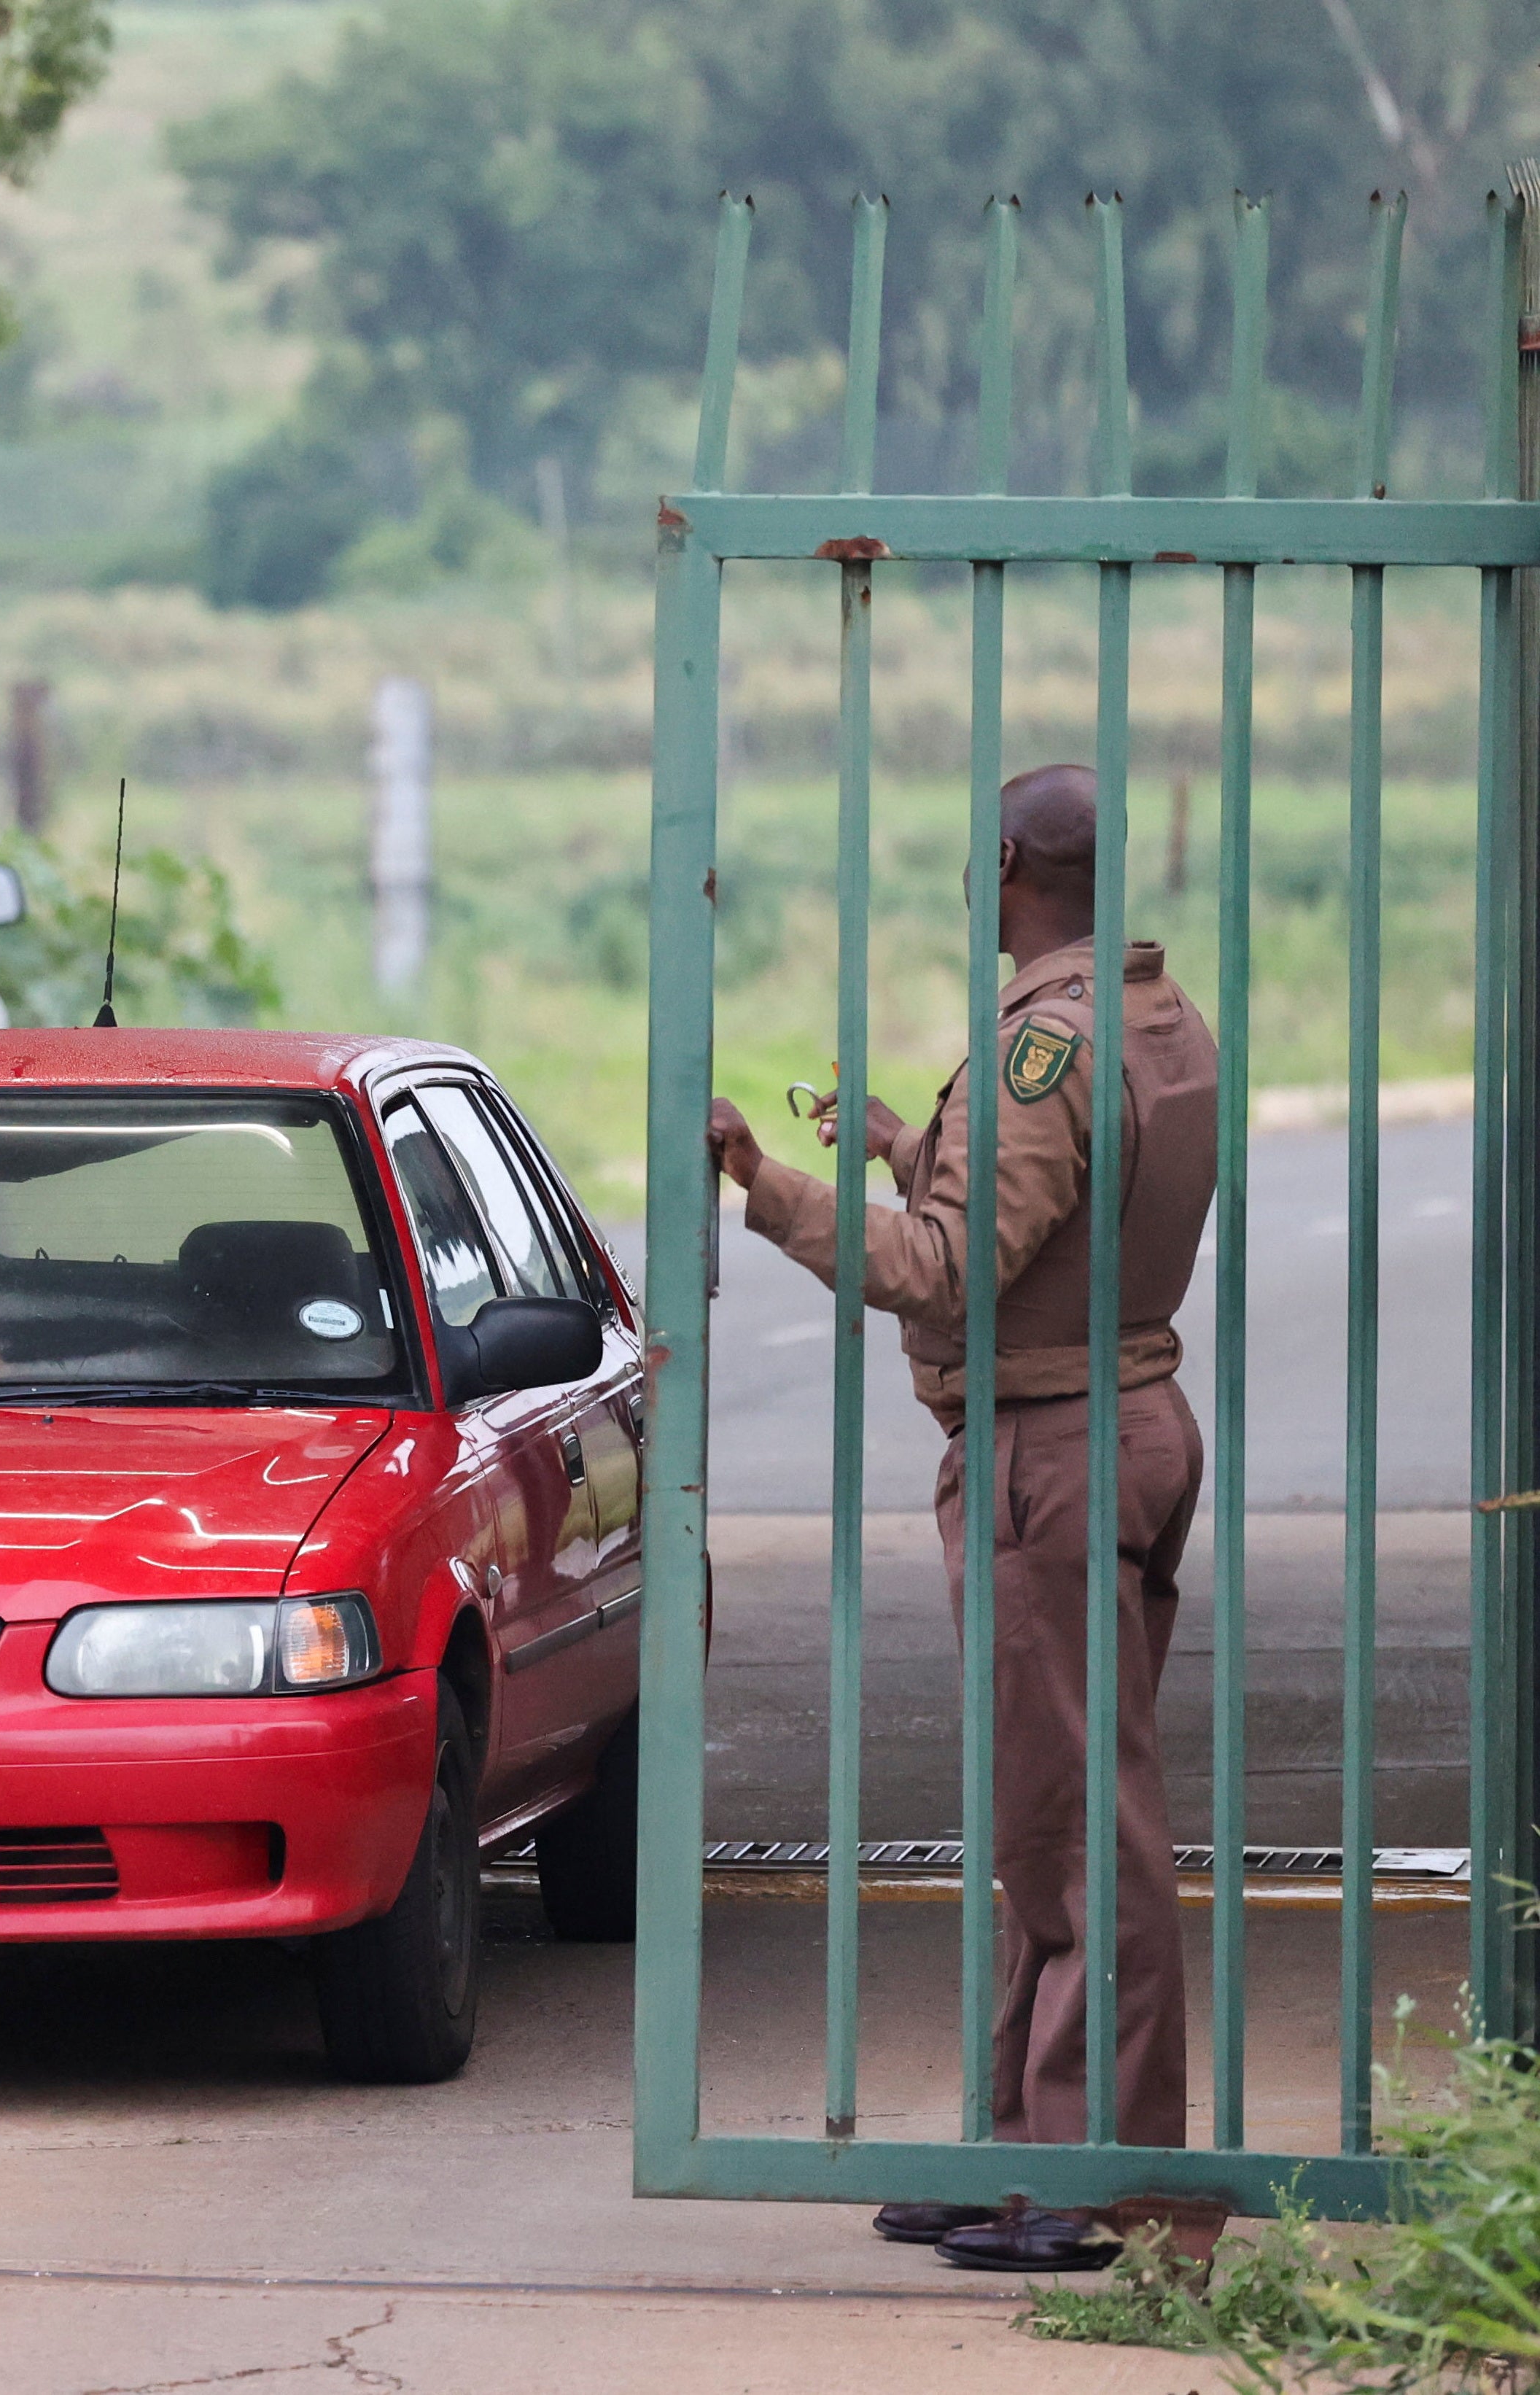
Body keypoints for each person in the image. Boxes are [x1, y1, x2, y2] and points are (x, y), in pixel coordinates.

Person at [707, 763, 1220, 2275]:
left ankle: (1100, 2167)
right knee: (1039, 1807)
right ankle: (1019, 2142)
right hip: (1113, 1417)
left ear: (1010, 862)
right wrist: (902, 1145)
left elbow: (947, 1272)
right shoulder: (1157, 1018)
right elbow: (1075, 1206)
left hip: (1049, 1445)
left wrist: (773, 1186)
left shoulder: (1043, 1043)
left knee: (1077, 1818)